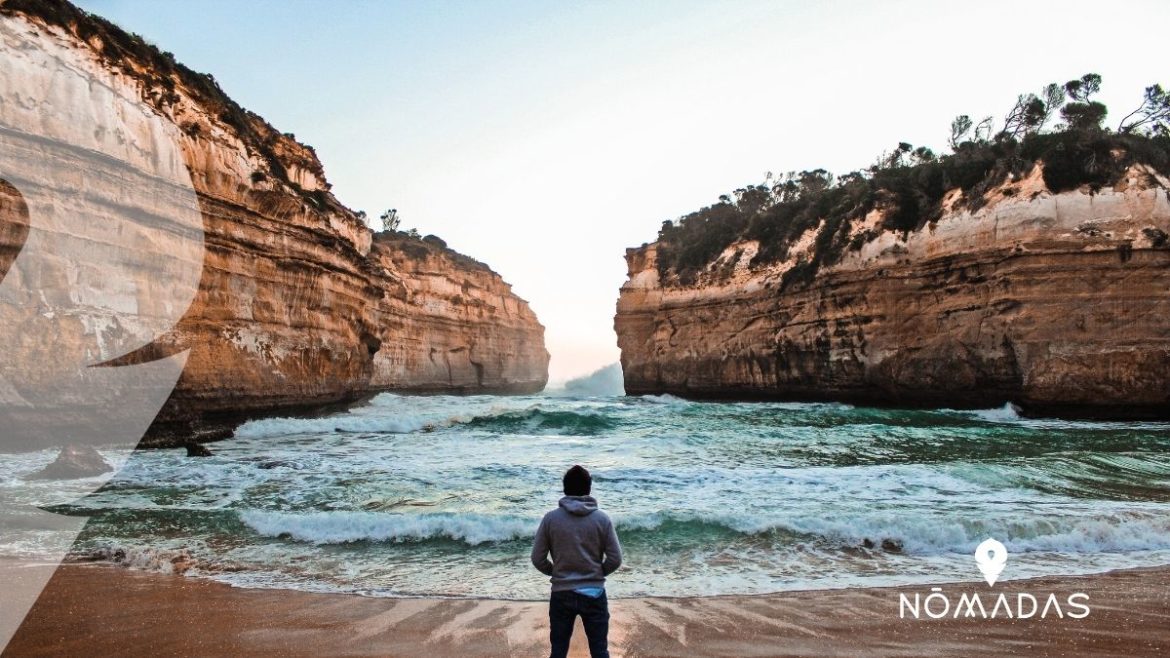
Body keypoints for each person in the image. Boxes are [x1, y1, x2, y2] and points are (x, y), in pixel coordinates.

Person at [531, 464, 622, 658]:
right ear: (589, 489)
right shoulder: (602, 519)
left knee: (558, 651)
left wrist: (555, 571)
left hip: (562, 593)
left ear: (565, 489)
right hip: (594, 593)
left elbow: (537, 559)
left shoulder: (550, 519)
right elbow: (615, 559)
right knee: (599, 651)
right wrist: (597, 572)